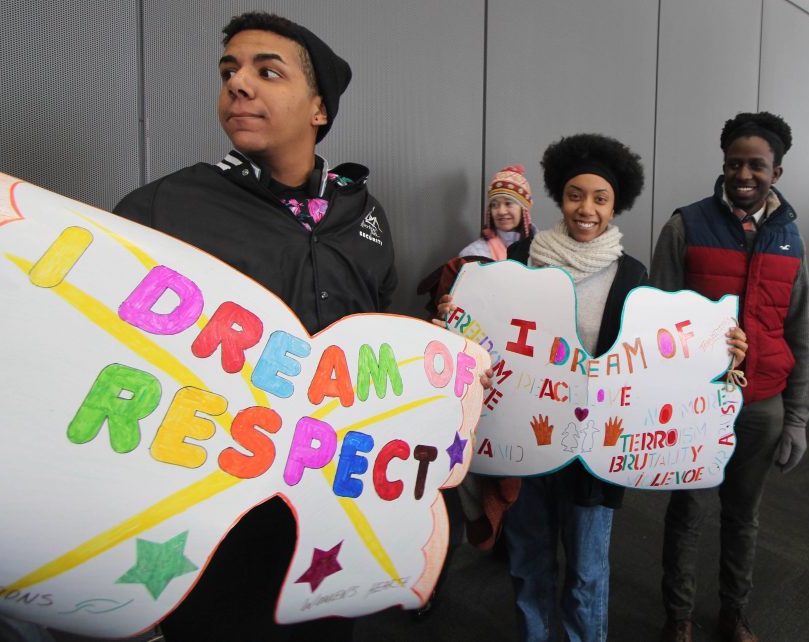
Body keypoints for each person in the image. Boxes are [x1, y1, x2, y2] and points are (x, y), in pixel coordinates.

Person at [114, 11, 395, 642]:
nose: (239, 85)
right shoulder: (167, 206)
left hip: (330, 508)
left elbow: (379, 331)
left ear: (320, 109)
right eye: (229, 71)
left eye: (268, 72)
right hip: (213, 511)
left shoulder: (363, 212)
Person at [438, 134, 745, 642]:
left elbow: (658, 355)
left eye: (600, 198)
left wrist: (722, 352)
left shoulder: (633, 275)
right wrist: (458, 320)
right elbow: (487, 335)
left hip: (597, 446)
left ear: (615, 204)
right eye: (576, 194)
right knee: (529, 562)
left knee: (586, 572)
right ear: (560, 196)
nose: (587, 208)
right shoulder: (521, 262)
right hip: (527, 441)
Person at [652, 111, 809, 642]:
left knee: (743, 517)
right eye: (733, 163)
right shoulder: (686, 225)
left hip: (763, 404)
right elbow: (656, 325)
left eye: (757, 165)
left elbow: (800, 332)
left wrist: (798, 417)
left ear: (777, 172)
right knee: (689, 514)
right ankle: (679, 618)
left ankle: (733, 612)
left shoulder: (789, 238)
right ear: (722, 165)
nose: (744, 174)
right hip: (699, 403)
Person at [458, 164, 536, 259]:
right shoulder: (474, 254)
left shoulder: (541, 251)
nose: (501, 211)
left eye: (508, 203)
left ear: (524, 210)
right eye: (495, 205)